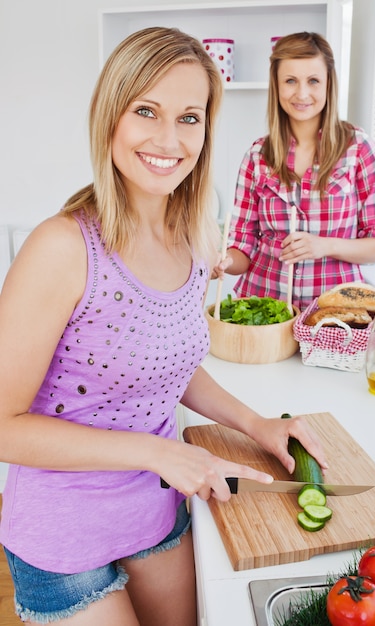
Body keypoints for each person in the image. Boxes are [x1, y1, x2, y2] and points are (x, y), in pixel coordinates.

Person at [0, 27, 327, 626]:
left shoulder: (198, 238)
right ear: (110, 116)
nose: (168, 139)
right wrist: (159, 453)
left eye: (190, 117)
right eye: (145, 111)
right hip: (62, 534)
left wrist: (257, 424)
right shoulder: (63, 248)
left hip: (155, 509)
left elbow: (168, 361)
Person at [213, 31, 375, 311]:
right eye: (290, 81)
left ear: (328, 85)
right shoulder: (257, 156)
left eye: (313, 81)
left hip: (335, 313)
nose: (301, 93)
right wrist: (223, 261)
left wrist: (324, 245)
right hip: (264, 309)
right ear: (276, 85)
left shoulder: (358, 148)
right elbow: (242, 247)